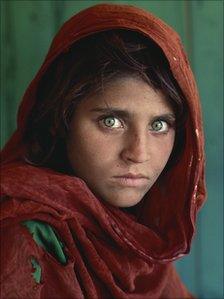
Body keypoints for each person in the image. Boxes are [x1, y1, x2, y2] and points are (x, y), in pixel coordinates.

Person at [0, 3, 206, 299]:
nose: (138, 153)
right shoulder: (23, 236)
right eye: (111, 121)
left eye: (160, 125)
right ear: (62, 119)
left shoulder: (136, 233)